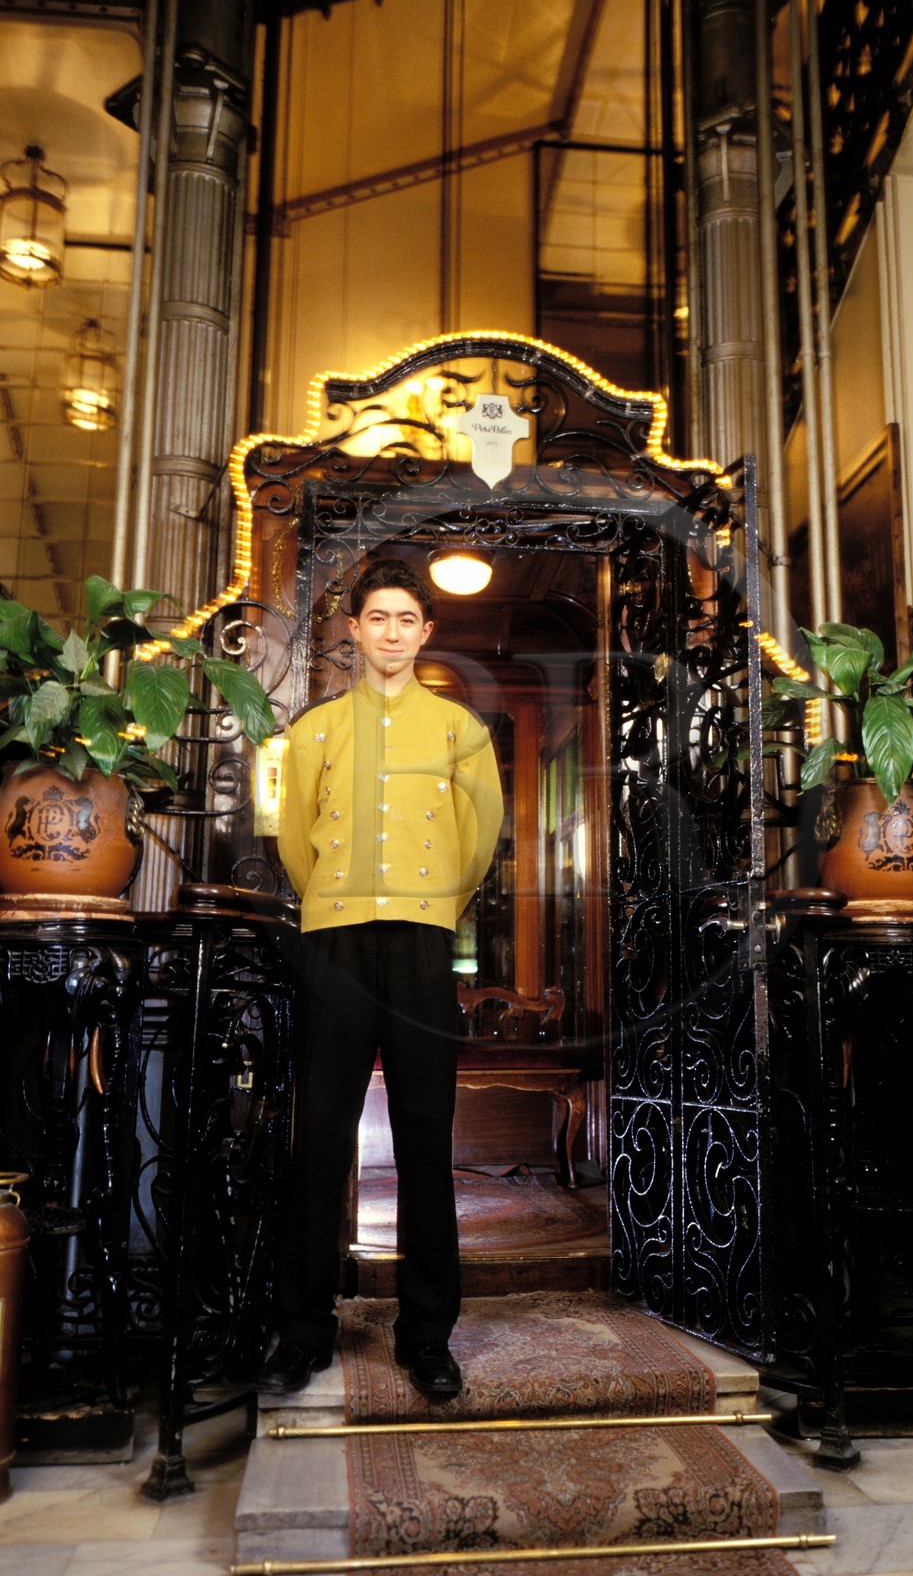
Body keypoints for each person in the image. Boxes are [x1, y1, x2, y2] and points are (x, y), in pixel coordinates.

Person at [256, 557, 504, 1399]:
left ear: (425, 633)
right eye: (377, 618)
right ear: (353, 630)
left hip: (421, 943)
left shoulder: (459, 731)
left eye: (407, 619)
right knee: (317, 1135)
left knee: (425, 1140)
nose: (392, 632)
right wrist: (337, 893)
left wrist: (430, 902)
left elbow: (480, 838)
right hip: (333, 940)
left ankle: (426, 1334)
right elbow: (295, 839)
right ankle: (302, 1330)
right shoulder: (313, 732)